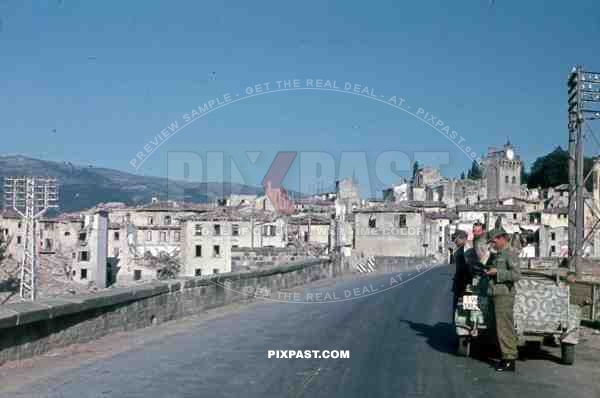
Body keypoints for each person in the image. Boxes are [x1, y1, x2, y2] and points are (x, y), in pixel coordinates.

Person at [485, 225, 521, 372]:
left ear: (501, 239)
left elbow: (516, 275)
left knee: (504, 327)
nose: (492, 244)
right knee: (496, 328)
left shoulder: (510, 253)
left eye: (493, 241)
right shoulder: (498, 254)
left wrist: (497, 272)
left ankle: (509, 359)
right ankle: (503, 355)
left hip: (504, 295)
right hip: (495, 293)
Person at [451, 229, 470, 313]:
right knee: (459, 310)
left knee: (465, 309)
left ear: (462, 238)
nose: (454, 241)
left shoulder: (467, 249)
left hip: (466, 283)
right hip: (460, 282)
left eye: (455, 239)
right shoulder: (459, 249)